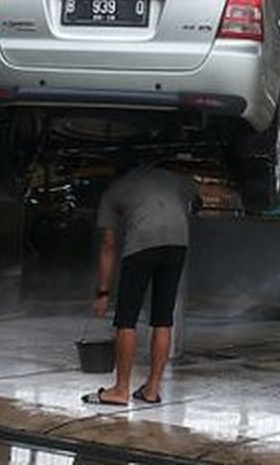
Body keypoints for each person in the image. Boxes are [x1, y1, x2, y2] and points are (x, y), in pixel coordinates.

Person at [82, 158, 195, 406]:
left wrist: (102, 293)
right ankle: (152, 389)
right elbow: (195, 197)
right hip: (178, 243)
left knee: (126, 319)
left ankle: (121, 390)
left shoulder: (113, 192)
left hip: (142, 243)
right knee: (163, 318)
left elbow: (109, 246)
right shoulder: (173, 179)